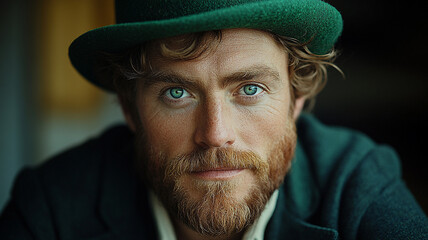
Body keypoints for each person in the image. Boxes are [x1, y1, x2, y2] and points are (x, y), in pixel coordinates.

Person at [1, 0, 427, 239]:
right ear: (131, 110)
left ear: (297, 98)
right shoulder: (52, 206)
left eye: (250, 89)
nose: (215, 134)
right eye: (177, 92)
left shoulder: (357, 187)